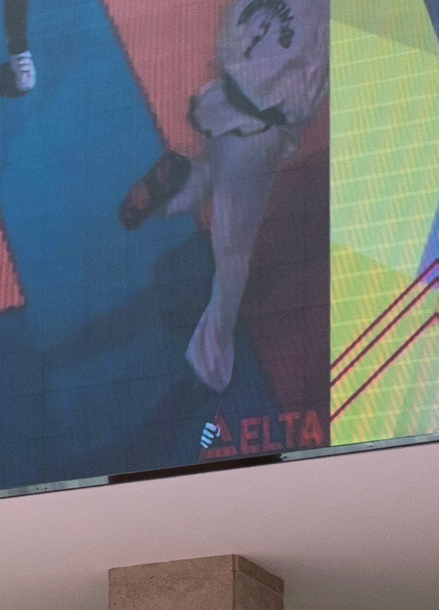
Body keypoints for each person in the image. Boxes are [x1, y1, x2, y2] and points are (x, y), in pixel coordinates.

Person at [116, 0, 329, 391]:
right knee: (234, 252)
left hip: (221, 101)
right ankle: (210, 357)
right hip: (257, 136)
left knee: (217, 173)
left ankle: (171, 194)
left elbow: (231, 29)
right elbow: (309, 90)